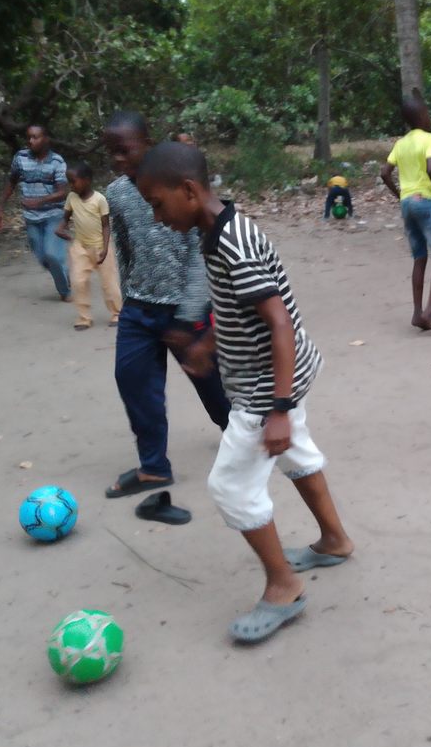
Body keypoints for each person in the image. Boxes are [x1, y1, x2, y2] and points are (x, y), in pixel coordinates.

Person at [136, 141, 355, 643]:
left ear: (189, 190)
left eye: (158, 203)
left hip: (267, 385)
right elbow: (242, 306)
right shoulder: (217, 232)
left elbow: (278, 323)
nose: (157, 216)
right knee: (295, 451)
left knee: (230, 486)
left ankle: (284, 587)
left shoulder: (233, 244)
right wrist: (209, 344)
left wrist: (278, 408)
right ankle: (334, 540)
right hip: (283, 372)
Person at [102, 111, 230, 499]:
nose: (118, 159)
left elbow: (202, 252)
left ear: (146, 142)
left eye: (124, 150)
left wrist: (190, 314)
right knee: (134, 383)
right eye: (111, 152)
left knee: (213, 386)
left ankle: (243, 439)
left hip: (185, 311)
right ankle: (154, 468)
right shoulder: (116, 194)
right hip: (139, 309)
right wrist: (130, 296)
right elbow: (124, 248)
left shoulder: (179, 187)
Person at [380, 94, 431, 332]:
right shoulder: (430, 139)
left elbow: (384, 173)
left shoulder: (400, 144)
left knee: (419, 257)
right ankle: (429, 311)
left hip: (407, 204)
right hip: (426, 202)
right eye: (427, 113)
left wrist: (400, 195)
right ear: (422, 116)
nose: (429, 117)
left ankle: (416, 312)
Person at [0, 125, 71, 300]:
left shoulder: (57, 161)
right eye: (29, 137)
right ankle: (64, 272)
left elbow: (62, 192)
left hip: (53, 215)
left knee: (51, 255)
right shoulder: (20, 158)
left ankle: (65, 292)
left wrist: (39, 201)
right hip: (31, 218)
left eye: (35, 137)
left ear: (46, 139)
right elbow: (11, 182)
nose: (31, 141)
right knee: (44, 259)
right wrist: (0, 209)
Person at [54, 162, 122, 331]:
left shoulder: (99, 199)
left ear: (87, 180)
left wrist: (105, 248)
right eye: (69, 182)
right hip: (80, 247)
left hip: (100, 246)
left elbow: (106, 226)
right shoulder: (71, 198)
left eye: (73, 181)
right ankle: (84, 317)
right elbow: (65, 218)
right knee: (78, 281)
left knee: (109, 283)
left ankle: (117, 313)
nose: (71, 185)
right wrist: (60, 228)